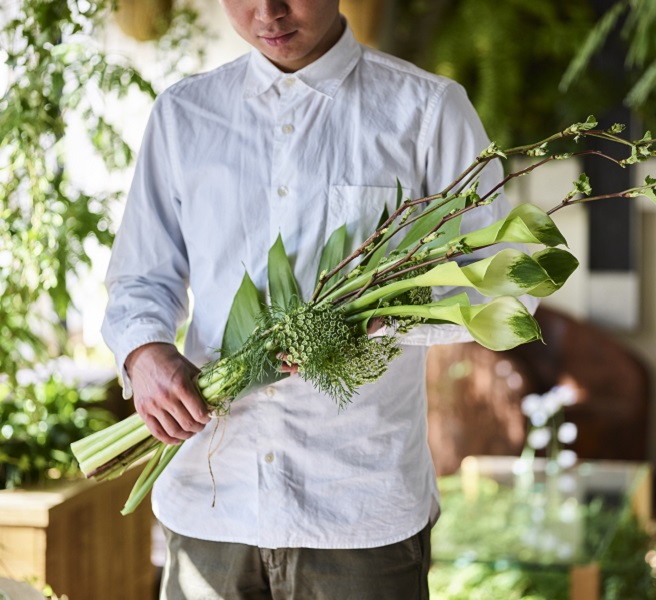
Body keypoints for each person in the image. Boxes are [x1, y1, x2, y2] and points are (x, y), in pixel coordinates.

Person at [102, 1, 517, 598]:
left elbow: (501, 280)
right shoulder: (183, 115)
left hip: (358, 509)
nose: (267, 12)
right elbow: (140, 277)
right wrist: (144, 354)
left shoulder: (427, 111)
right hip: (211, 502)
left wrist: (379, 317)